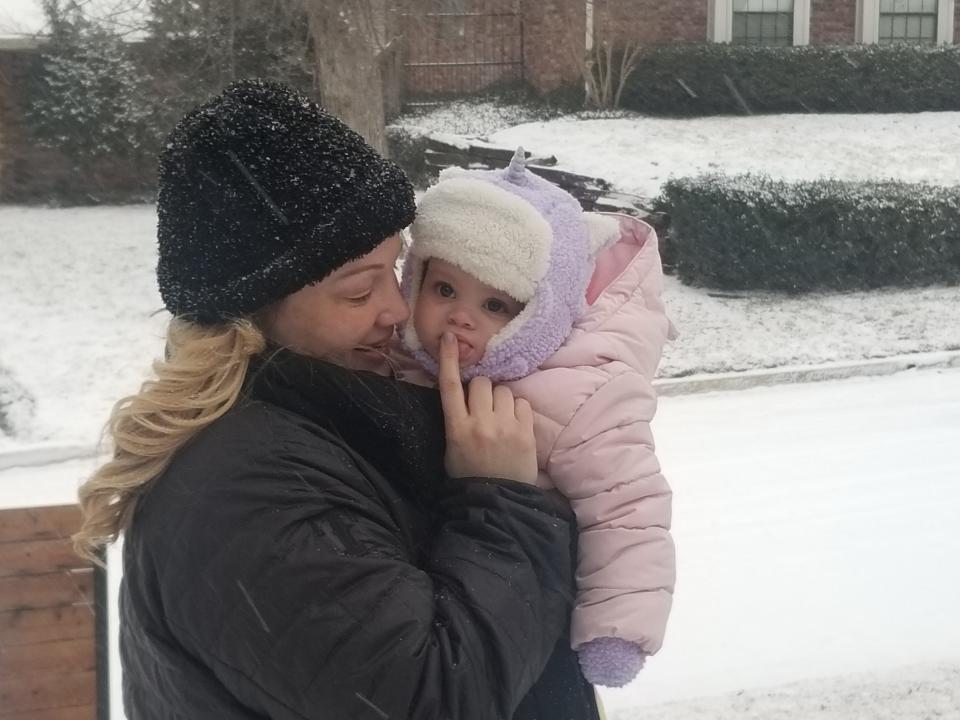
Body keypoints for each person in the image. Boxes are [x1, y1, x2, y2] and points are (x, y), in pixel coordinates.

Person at [73, 79, 601, 720]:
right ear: (253, 315)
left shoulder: (331, 418)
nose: (394, 310)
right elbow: (431, 698)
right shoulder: (243, 493)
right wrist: (502, 505)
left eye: (398, 272)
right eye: (357, 292)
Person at [398, 151, 677, 687]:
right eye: (444, 289)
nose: (461, 316)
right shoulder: (399, 360)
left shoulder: (581, 394)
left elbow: (628, 510)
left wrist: (614, 628)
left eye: (496, 306)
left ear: (543, 313)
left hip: (534, 621)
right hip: (445, 609)